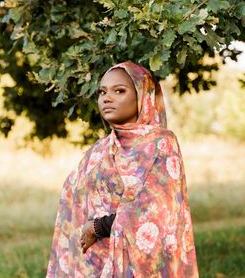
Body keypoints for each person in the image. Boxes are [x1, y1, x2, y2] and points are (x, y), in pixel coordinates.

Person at [46, 62, 199, 277]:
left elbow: (154, 210)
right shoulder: (99, 150)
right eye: (102, 92)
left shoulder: (160, 143)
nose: (107, 98)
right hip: (95, 261)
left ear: (142, 95)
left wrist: (97, 227)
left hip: (140, 264)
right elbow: (73, 201)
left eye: (119, 91)